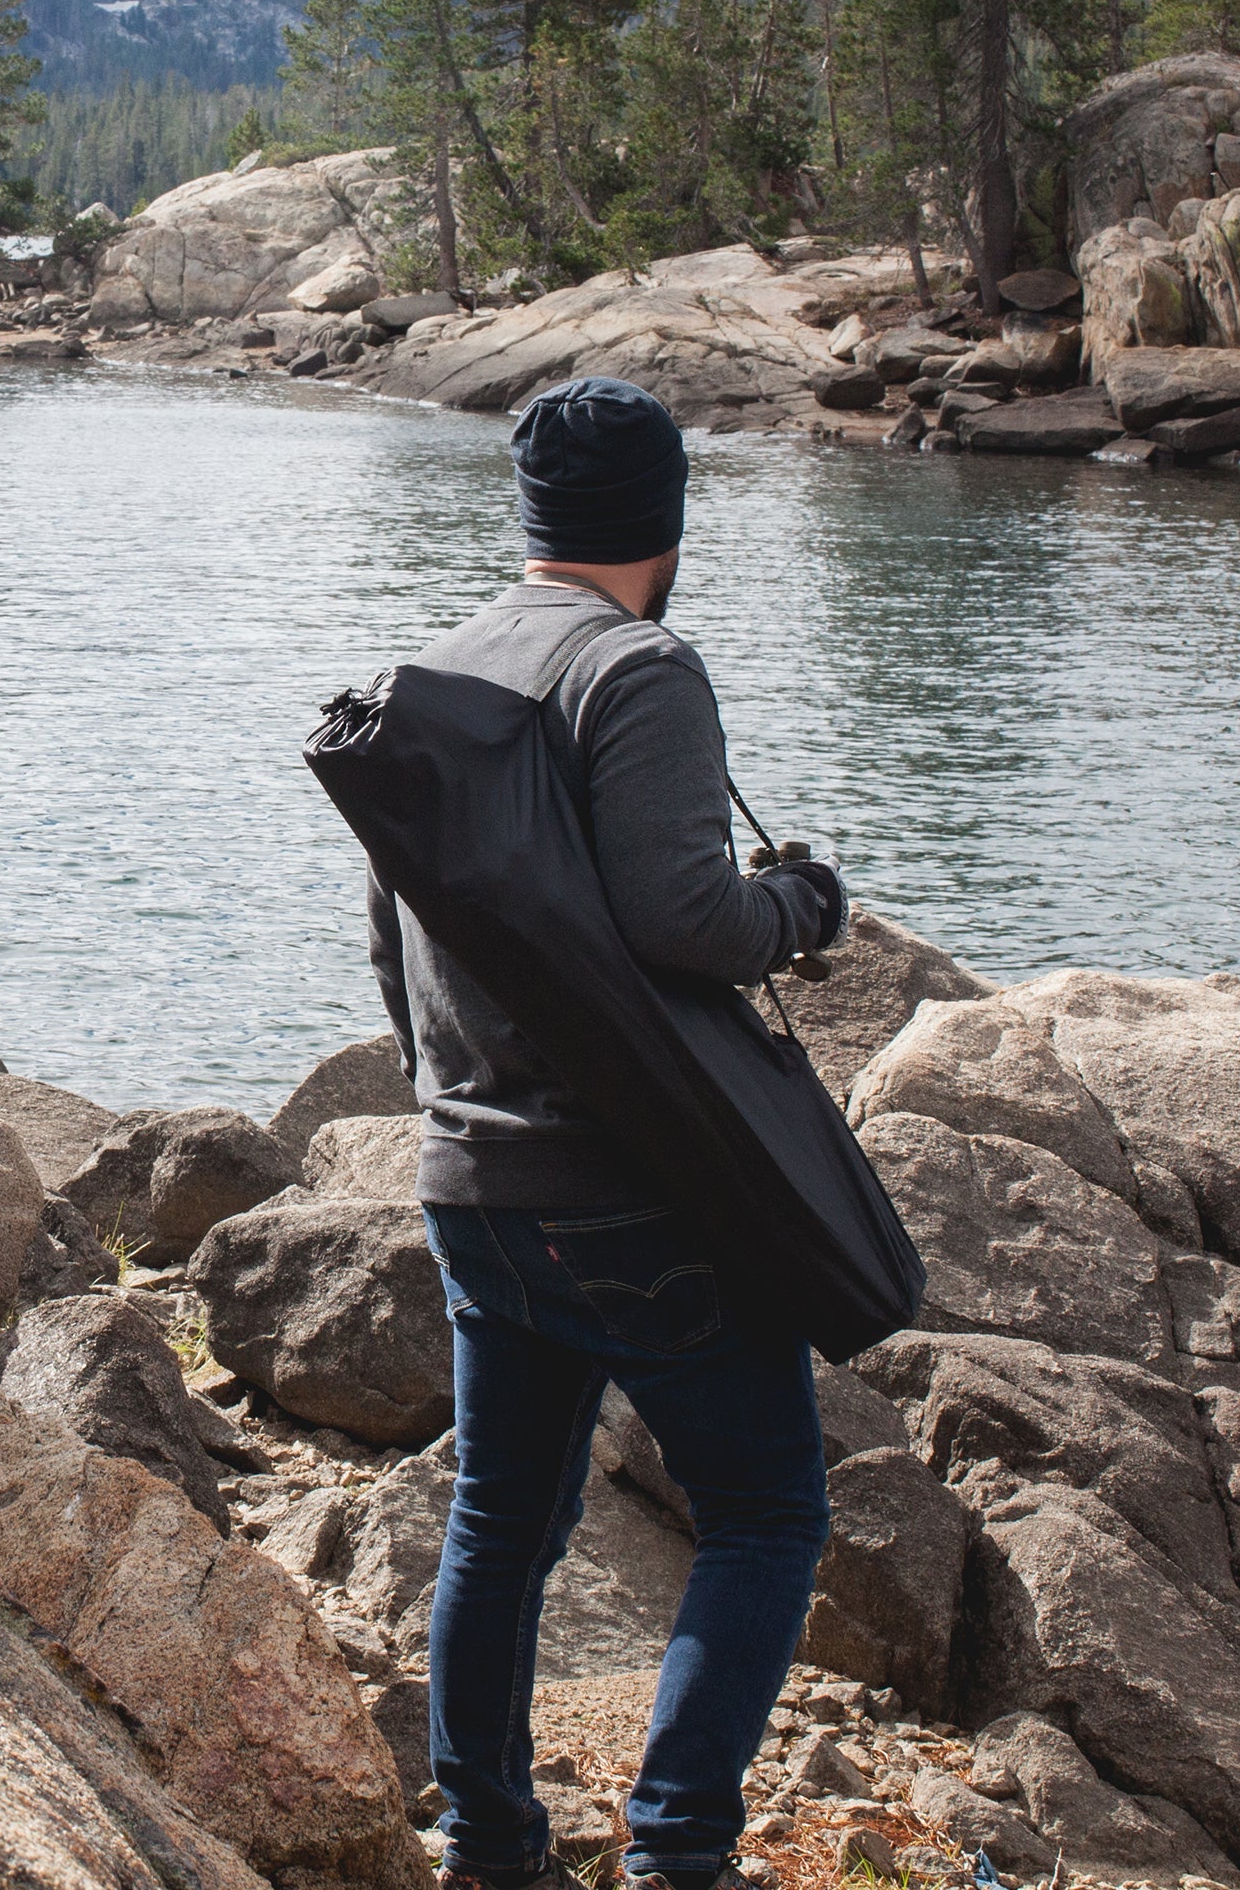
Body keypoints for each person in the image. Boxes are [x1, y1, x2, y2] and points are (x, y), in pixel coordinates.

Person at [366, 374, 846, 1890]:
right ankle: (677, 1857)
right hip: (630, 1192)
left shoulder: (429, 673)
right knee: (767, 1512)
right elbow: (686, 918)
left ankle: (490, 1849)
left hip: (474, 1178)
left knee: (501, 1523)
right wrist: (807, 903)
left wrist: (454, 1109)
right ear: (668, 522)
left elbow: (392, 949)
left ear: (531, 517)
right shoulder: (638, 669)